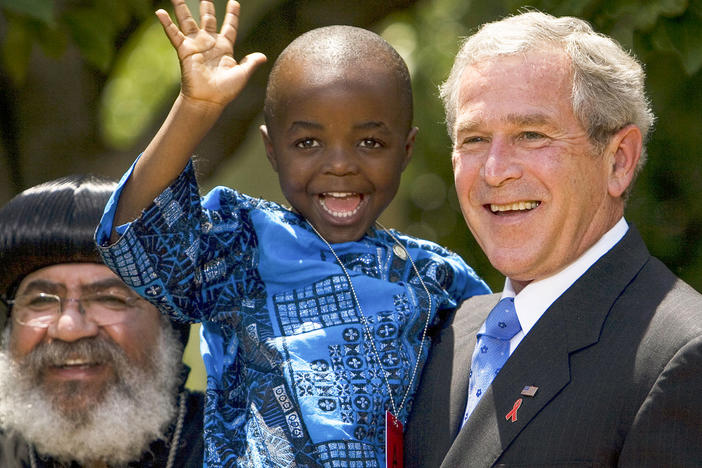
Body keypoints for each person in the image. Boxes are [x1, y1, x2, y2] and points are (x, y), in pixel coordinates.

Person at [94, 0, 489, 466]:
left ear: (405, 152)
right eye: (307, 143)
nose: (340, 163)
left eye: (370, 142)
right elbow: (138, 240)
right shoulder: (245, 243)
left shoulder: (436, 276)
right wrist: (194, 110)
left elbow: (494, 376)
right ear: (271, 150)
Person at [404, 10, 702, 467]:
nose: (496, 169)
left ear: (619, 161)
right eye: (475, 139)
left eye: (531, 134)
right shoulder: (441, 333)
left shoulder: (680, 354)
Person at [0, 175, 205, 468]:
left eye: (109, 299)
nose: (69, 328)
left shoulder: (248, 447)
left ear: (170, 327)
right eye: (41, 300)